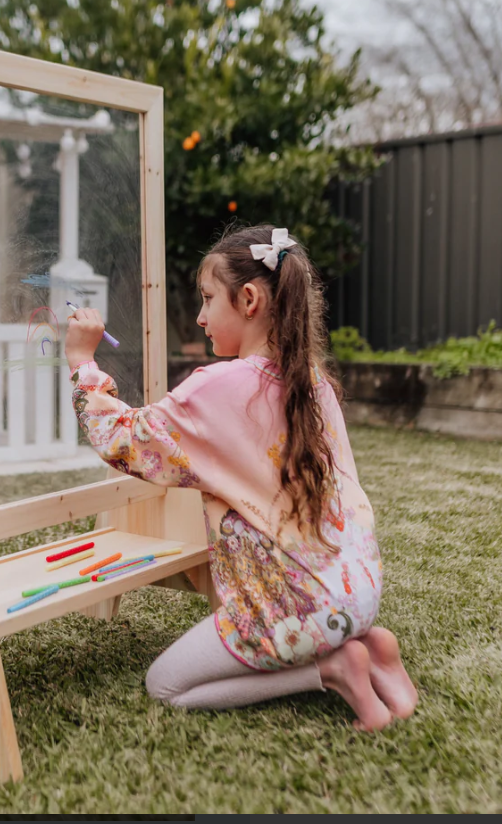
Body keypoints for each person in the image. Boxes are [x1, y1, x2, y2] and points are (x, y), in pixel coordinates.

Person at [64, 224, 418, 731]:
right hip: (357, 589)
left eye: (208, 300)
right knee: (309, 617)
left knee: (165, 685)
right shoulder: (312, 381)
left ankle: (334, 667)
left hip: (299, 609)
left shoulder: (218, 386)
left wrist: (82, 360)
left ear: (249, 299)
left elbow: (125, 440)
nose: (201, 317)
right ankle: (370, 645)